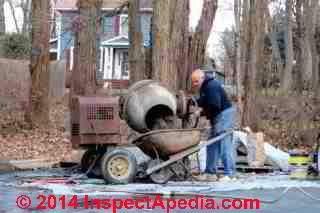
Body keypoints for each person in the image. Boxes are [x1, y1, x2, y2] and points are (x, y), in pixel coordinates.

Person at [190, 67, 237, 182]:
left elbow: (214, 105)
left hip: (224, 115)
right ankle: (210, 173)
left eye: (196, 81)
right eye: (193, 82)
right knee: (212, 144)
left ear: (202, 78)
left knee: (224, 143)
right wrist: (192, 101)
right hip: (217, 116)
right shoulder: (205, 87)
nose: (195, 84)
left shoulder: (211, 86)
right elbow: (204, 100)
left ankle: (230, 174)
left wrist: (200, 112)